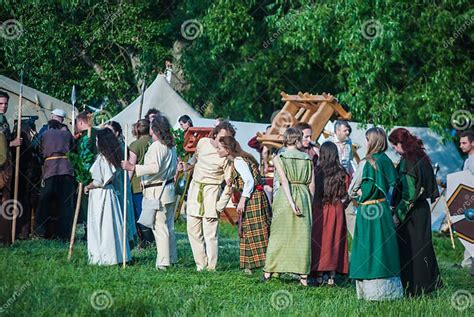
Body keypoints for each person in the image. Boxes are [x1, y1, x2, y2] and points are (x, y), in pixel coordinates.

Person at [348, 127, 403, 301]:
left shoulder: (366, 163)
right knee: (384, 248)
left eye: (366, 139)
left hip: (367, 211)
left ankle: (371, 292)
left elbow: (351, 190)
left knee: (368, 248)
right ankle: (390, 292)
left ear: (371, 141)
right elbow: (393, 186)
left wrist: (360, 194)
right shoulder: (387, 161)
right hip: (383, 210)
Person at [389, 128, 442, 296]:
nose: (394, 150)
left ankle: (413, 288)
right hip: (422, 210)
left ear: (399, 144)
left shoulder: (408, 162)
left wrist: (398, 216)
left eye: (394, 146)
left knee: (411, 249)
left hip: (411, 213)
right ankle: (428, 286)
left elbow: (409, 195)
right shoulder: (421, 157)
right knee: (423, 247)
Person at [122, 115, 178, 270]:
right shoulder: (171, 145)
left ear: (155, 129)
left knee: (160, 228)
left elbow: (154, 168)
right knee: (168, 227)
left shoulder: (157, 146)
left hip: (157, 190)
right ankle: (172, 258)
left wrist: (133, 167)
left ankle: (163, 262)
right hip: (167, 189)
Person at [263, 128, 315, 286]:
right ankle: (303, 276)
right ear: (298, 140)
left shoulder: (279, 157)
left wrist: (291, 203)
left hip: (286, 197)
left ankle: (268, 272)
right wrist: (308, 203)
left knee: (278, 233)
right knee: (302, 236)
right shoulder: (308, 158)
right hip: (304, 195)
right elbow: (312, 185)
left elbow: (284, 181)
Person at [216, 136, 272, 274]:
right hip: (256, 197)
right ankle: (249, 266)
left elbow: (249, 181)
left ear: (227, 150)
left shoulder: (239, 161)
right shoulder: (242, 159)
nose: (217, 150)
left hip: (253, 198)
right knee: (249, 230)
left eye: (220, 147)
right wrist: (233, 182)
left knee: (256, 231)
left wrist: (242, 200)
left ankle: (268, 265)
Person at [185, 121, 235, 271]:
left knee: (210, 233)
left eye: (226, 139)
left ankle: (211, 267)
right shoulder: (203, 142)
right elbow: (194, 159)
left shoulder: (227, 156)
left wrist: (220, 205)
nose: (222, 142)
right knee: (193, 229)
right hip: (195, 189)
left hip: (212, 193)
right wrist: (187, 166)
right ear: (215, 134)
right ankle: (201, 265)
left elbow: (230, 185)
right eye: (221, 137)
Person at [84, 128, 130, 265]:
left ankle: (104, 257)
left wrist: (87, 186)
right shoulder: (110, 157)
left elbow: (99, 181)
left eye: (97, 140)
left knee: (103, 226)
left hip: (101, 195)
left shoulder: (103, 159)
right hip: (109, 194)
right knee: (110, 225)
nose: (96, 142)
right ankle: (115, 256)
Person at [311, 141, 350, 286]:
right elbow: (348, 192)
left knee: (320, 240)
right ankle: (332, 276)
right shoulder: (342, 172)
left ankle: (320, 274)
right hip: (336, 207)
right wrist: (342, 204)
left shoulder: (317, 171)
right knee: (334, 241)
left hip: (320, 208)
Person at [34, 119, 75, 240]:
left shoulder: (45, 133)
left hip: (50, 170)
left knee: (44, 202)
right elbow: (74, 149)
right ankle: (64, 235)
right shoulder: (67, 134)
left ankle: (41, 232)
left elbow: (36, 148)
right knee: (65, 204)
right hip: (66, 170)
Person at [127, 119, 154, 245]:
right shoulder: (155, 142)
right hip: (153, 181)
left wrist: (127, 182)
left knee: (140, 214)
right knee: (151, 212)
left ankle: (146, 241)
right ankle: (152, 239)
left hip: (137, 184)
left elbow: (131, 166)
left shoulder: (135, 145)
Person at [0, 91, 22, 245]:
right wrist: (11, 144)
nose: (4, 106)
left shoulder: (3, 120)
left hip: (5, 166)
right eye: (0, 103)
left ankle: (4, 237)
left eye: (6, 104)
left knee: (5, 201)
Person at [333, 120, 357, 238]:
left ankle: (358, 239)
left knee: (349, 211)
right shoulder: (328, 143)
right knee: (333, 212)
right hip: (333, 184)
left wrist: (355, 176)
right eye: (345, 130)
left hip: (346, 182)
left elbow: (350, 161)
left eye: (348, 130)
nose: (348, 133)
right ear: (337, 131)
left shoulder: (348, 142)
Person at [459, 130, 474, 271]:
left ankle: (468, 264)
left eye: (464, 143)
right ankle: (467, 263)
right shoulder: (468, 160)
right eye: (460, 143)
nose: (461, 146)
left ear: (472, 143)